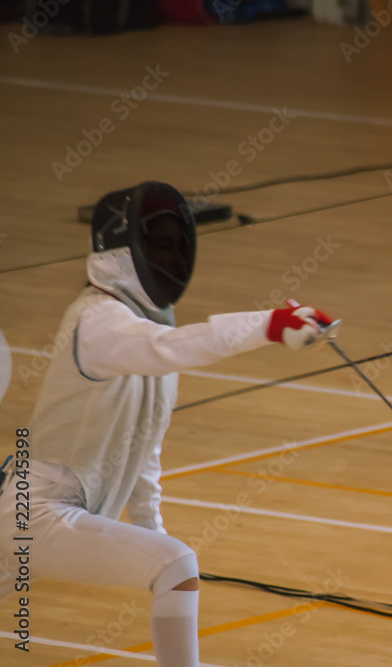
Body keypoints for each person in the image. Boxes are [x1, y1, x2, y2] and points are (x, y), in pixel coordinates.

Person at [0, 182, 333, 666]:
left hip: (47, 517)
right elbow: (169, 347)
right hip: (36, 515)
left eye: (178, 246)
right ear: (121, 251)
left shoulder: (145, 327)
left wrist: (154, 533)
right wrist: (268, 325)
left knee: (173, 561)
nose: (174, 259)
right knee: (178, 565)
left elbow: (143, 454)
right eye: (160, 246)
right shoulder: (98, 323)